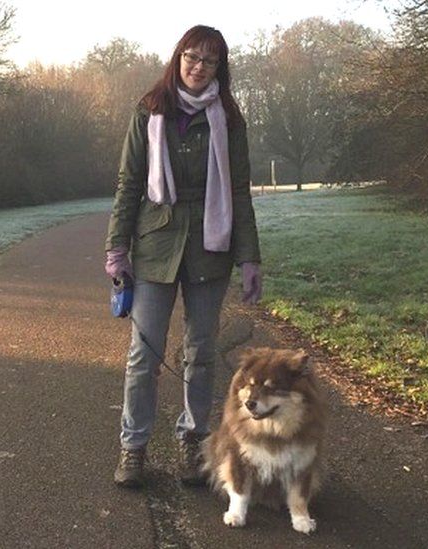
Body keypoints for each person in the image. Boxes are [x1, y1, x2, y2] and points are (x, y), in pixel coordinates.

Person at [104, 24, 262, 488]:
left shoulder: (230, 121)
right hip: (154, 247)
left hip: (211, 250)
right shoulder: (149, 111)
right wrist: (117, 249)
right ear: (178, 58)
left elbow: (238, 191)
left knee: (202, 353)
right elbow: (129, 185)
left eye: (208, 61)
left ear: (220, 69)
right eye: (191, 57)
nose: (197, 66)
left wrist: (249, 258)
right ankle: (133, 448)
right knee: (143, 356)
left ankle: (194, 441)